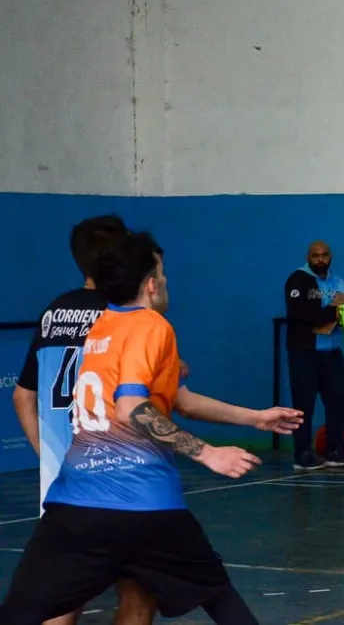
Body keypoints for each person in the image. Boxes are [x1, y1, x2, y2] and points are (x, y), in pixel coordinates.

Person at [0, 231, 305, 624]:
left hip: (77, 509)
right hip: (146, 508)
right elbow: (131, 407)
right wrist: (207, 452)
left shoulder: (103, 326)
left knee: (22, 612)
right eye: (161, 274)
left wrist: (255, 417)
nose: (164, 282)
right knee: (220, 598)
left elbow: (181, 400)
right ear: (149, 283)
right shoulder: (152, 325)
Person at [11, 214, 158, 625]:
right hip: (118, 480)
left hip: (61, 483)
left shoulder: (53, 311)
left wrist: (47, 454)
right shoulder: (125, 316)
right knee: (138, 592)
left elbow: (22, 396)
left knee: (61, 599)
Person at [283, 240, 344, 470]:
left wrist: (333, 314)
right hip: (304, 353)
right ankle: (302, 454)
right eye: (316, 256)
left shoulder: (338, 282)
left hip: (332, 352)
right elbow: (303, 314)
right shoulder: (298, 279)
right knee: (303, 405)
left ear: (330, 256)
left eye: (324, 255)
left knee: (337, 400)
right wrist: (333, 309)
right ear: (309, 257)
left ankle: (335, 451)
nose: (320, 259)